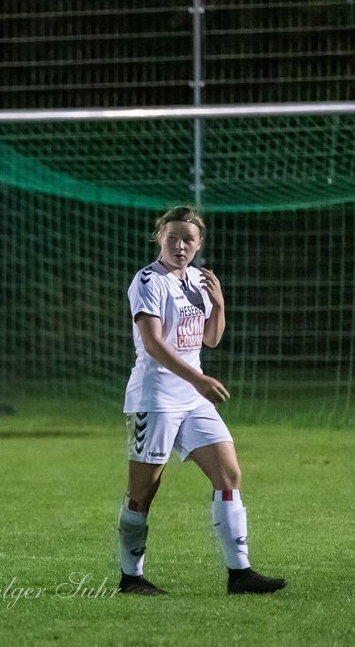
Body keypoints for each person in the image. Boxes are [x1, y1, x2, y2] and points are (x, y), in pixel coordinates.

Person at [117, 205, 285, 595]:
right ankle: (131, 577)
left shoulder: (198, 280)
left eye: (188, 239)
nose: (179, 245)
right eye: (172, 237)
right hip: (154, 398)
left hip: (193, 399)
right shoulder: (148, 281)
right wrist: (200, 379)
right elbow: (152, 343)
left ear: (199, 244)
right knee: (143, 492)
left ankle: (239, 574)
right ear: (160, 236)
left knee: (228, 475)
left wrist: (220, 303)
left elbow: (210, 338)